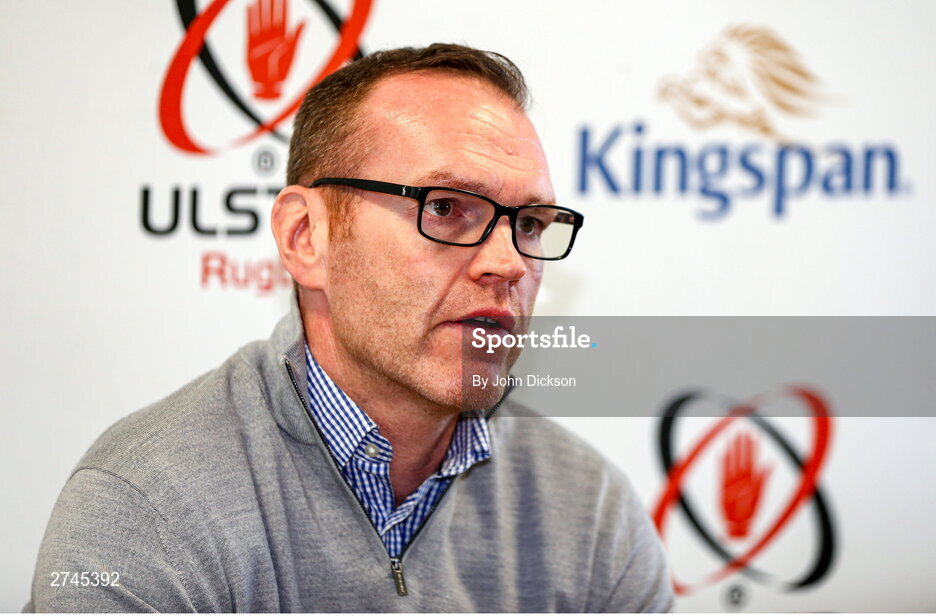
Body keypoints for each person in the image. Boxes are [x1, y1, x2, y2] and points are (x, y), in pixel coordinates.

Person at [29, 43, 672, 612]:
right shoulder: (148, 507)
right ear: (306, 237)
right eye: (445, 209)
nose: (508, 262)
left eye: (529, 225)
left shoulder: (591, 516)